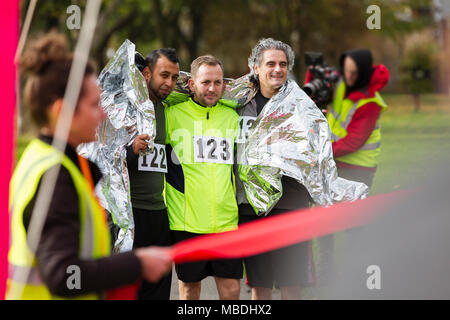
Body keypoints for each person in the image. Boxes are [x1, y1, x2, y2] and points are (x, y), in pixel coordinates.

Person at [6, 33, 172, 300]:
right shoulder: (55, 176)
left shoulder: (51, 159)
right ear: (62, 111)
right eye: (95, 104)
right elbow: (64, 274)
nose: (104, 113)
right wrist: (137, 264)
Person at [235, 38, 313, 300]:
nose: (277, 69)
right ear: (256, 68)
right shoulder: (237, 105)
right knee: (261, 285)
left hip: (292, 204)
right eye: (270, 63)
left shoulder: (301, 106)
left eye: (283, 64)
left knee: (292, 283)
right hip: (251, 206)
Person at [165, 55, 241, 300]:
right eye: (206, 82)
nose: (212, 88)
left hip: (226, 220)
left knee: (231, 290)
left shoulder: (232, 118)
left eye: (218, 82)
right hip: (187, 221)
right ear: (191, 84)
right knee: (189, 290)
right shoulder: (172, 115)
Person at [125, 48, 180, 300]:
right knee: (129, 289)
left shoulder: (167, 106)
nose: (169, 83)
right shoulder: (124, 106)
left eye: (175, 78)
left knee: (158, 290)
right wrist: (130, 151)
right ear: (146, 73)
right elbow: (101, 153)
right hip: (130, 216)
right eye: (164, 75)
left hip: (159, 213)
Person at [326, 48, 389, 187]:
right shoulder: (343, 86)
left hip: (358, 167)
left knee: (348, 209)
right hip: (338, 161)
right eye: (346, 70)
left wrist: (325, 151)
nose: (348, 76)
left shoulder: (370, 103)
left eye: (354, 73)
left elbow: (354, 140)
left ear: (364, 72)